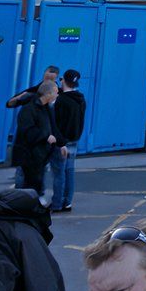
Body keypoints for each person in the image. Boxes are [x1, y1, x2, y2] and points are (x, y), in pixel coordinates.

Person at [10, 81, 60, 199]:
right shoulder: (29, 109)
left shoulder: (46, 108)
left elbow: (51, 126)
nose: (57, 95)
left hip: (40, 155)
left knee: (36, 184)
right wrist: (46, 136)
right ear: (48, 93)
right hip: (30, 154)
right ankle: (26, 207)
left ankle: (32, 205)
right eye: (56, 92)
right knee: (30, 184)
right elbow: (27, 130)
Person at [51, 69, 87, 213]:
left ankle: (57, 203)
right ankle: (67, 202)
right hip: (74, 140)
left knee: (59, 172)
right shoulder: (80, 99)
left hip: (62, 141)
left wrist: (60, 142)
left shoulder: (61, 100)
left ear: (63, 81)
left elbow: (57, 123)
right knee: (69, 172)